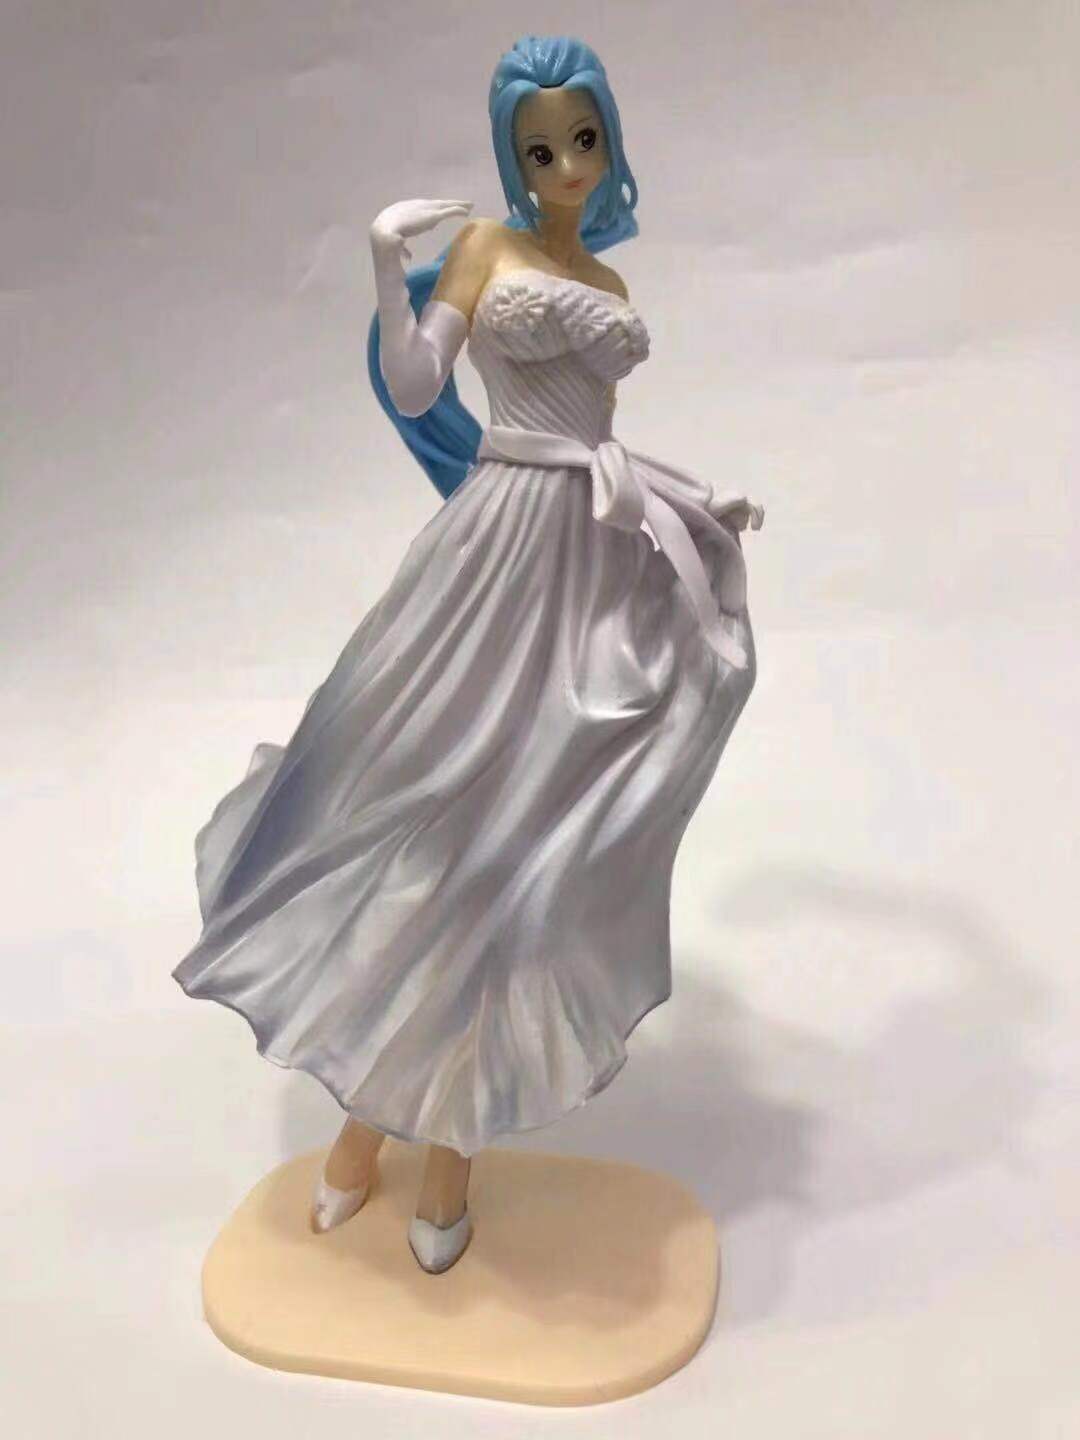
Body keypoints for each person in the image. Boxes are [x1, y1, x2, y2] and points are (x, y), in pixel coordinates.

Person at [173, 33, 764, 1276]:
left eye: (583, 140)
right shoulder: (487, 251)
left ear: (608, 140)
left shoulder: (603, 274)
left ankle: (446, 1146)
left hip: (587, 554)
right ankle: (362, 1123)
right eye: (541, 149)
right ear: (513, 156)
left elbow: (600, 441)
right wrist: (384, 268)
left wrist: (691, 506)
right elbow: (413, 382)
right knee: (423, 818)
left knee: (524, 848)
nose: (566, 166)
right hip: (496, 550)